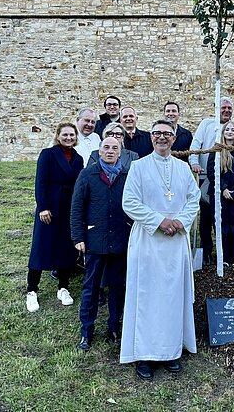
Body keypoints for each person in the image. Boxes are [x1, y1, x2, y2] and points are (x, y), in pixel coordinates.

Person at [120, 120, 200, 380]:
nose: (162, 138)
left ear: (174, 139)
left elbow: (193, 198)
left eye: (167, 134)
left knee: (172, 296)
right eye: (157, 134)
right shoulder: (138, 167)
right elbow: (129, 201)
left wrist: (180, 221)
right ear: (151, 137)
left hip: (176, 243)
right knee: (147, 296)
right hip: (148, 242)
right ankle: (145, 355)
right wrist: (159, 221)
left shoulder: (183, 168)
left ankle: (171, 352)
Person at [71, 137, 131, 352]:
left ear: (120, 152)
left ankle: (114, 326)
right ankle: (86, 330)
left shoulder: (127, 176)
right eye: (106, 147)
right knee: (91, 287)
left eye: (115, 148)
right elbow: (77, 206)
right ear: (100, 150)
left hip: (120, 240)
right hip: (95, 240)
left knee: (117, 286)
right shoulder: (88, 174)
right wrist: (78, 237)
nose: (110, 151)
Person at [26, 122, 84, 312]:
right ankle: (32, 290)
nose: (68, 138)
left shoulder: (78, 158)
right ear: (58, 136)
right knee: (41, 246)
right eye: (65, 135)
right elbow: (40, 182)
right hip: (50, 207)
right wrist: (43, 207)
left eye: (72, 135)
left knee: (66, 247)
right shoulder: (48, 154)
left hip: (69, 207)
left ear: (76, 138)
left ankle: (63, 287)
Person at [188, 97, 234, 265]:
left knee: (228, 216)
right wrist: (195, 162)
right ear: (217, 108)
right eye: (223, 107)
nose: (226, 110)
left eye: (229, 108)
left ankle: (230, 253)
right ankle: (206, 250)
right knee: (207, 215)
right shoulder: (206, 124)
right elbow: (196, 144)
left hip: (229, 180)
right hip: (207, 176)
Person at [207, 121, 234, 265]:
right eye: (227, 130)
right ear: (223, 132)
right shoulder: (217, 150)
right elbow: (212, 172)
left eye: (233, 130)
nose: (230, 132)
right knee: (222, 224)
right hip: (219, 194)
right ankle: (223, 256)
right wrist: (223, 188)